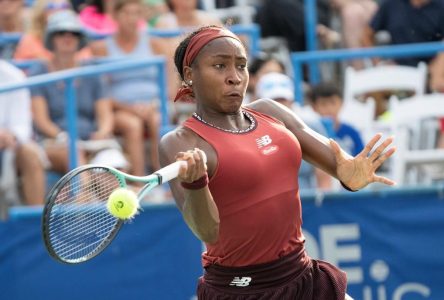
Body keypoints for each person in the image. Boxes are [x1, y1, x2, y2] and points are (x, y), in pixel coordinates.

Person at [159, 25, 396, 299]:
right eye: (220, 66)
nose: (234, 77)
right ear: (190, 75)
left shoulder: (270, 112)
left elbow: (343, 171)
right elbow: (206, 230)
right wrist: (196, 185)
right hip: (242, 291)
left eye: (241, 66)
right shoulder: (181, 142)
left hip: (303, 276)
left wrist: (351, 174)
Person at [30, 10, 127, 174]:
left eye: (73, 33)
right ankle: (84, 198)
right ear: (51, 39)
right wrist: (63, 137)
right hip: (52, 143)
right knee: (75, 157)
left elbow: (105, 114)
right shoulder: (39, 71)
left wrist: (102, 133)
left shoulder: (92, 71)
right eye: (61, 33)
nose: (67, 37)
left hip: (91, 142)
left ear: (79, 39)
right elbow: (41, 120)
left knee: (113, 172)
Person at [90, 0, 177, 173]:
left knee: (158, 120)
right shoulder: (101, 48)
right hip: (119, 109)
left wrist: (156, 103)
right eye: (126, 13)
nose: (131, 19)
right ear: (115, 16)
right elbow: (101, 91)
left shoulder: (156, 44)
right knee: (132, 125)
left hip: (155, 106)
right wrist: (129, 108)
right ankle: (139, 181)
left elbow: (171, 81)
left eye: (136, 13)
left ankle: (162, 179)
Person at [255, 72, 333, 191]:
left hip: (307, 202)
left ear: (291, 100)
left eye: (283, 100)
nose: (278, 106)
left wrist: (322, 205)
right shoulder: (248, 129)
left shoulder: (310, 125)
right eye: (273, 101)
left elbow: (324, 174)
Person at [0, 59, 46, 206]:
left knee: (30, 153)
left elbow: (21, 128)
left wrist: (10, 136)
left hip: (7, 149)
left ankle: (36, 225)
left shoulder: (13, 76)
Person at [361, 0, 444, 67]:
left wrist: (436, 67)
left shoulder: (440, 6)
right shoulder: (391, 4)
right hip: (396, 69)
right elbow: (366, 35)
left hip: (430, 71)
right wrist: (378, 63)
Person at [309, 82, 365, 157]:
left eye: (333, 103)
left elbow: (363, 157)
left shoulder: (352, 132)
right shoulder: (311, 133)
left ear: (341, 103)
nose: (329, 109)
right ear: (314, 107)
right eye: (323, 104)